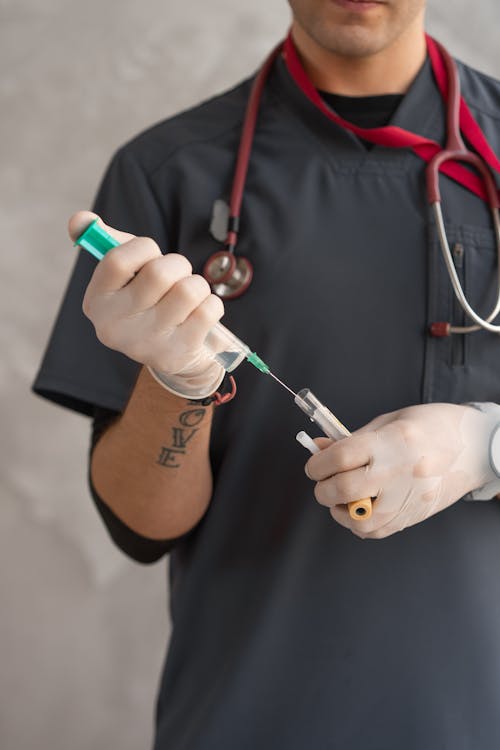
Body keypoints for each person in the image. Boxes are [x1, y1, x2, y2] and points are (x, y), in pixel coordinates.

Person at [33, 0, 500, 747]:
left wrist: (485, 447)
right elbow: (141, 526)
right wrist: (176, 381)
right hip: (248, 718)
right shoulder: (169, 172)